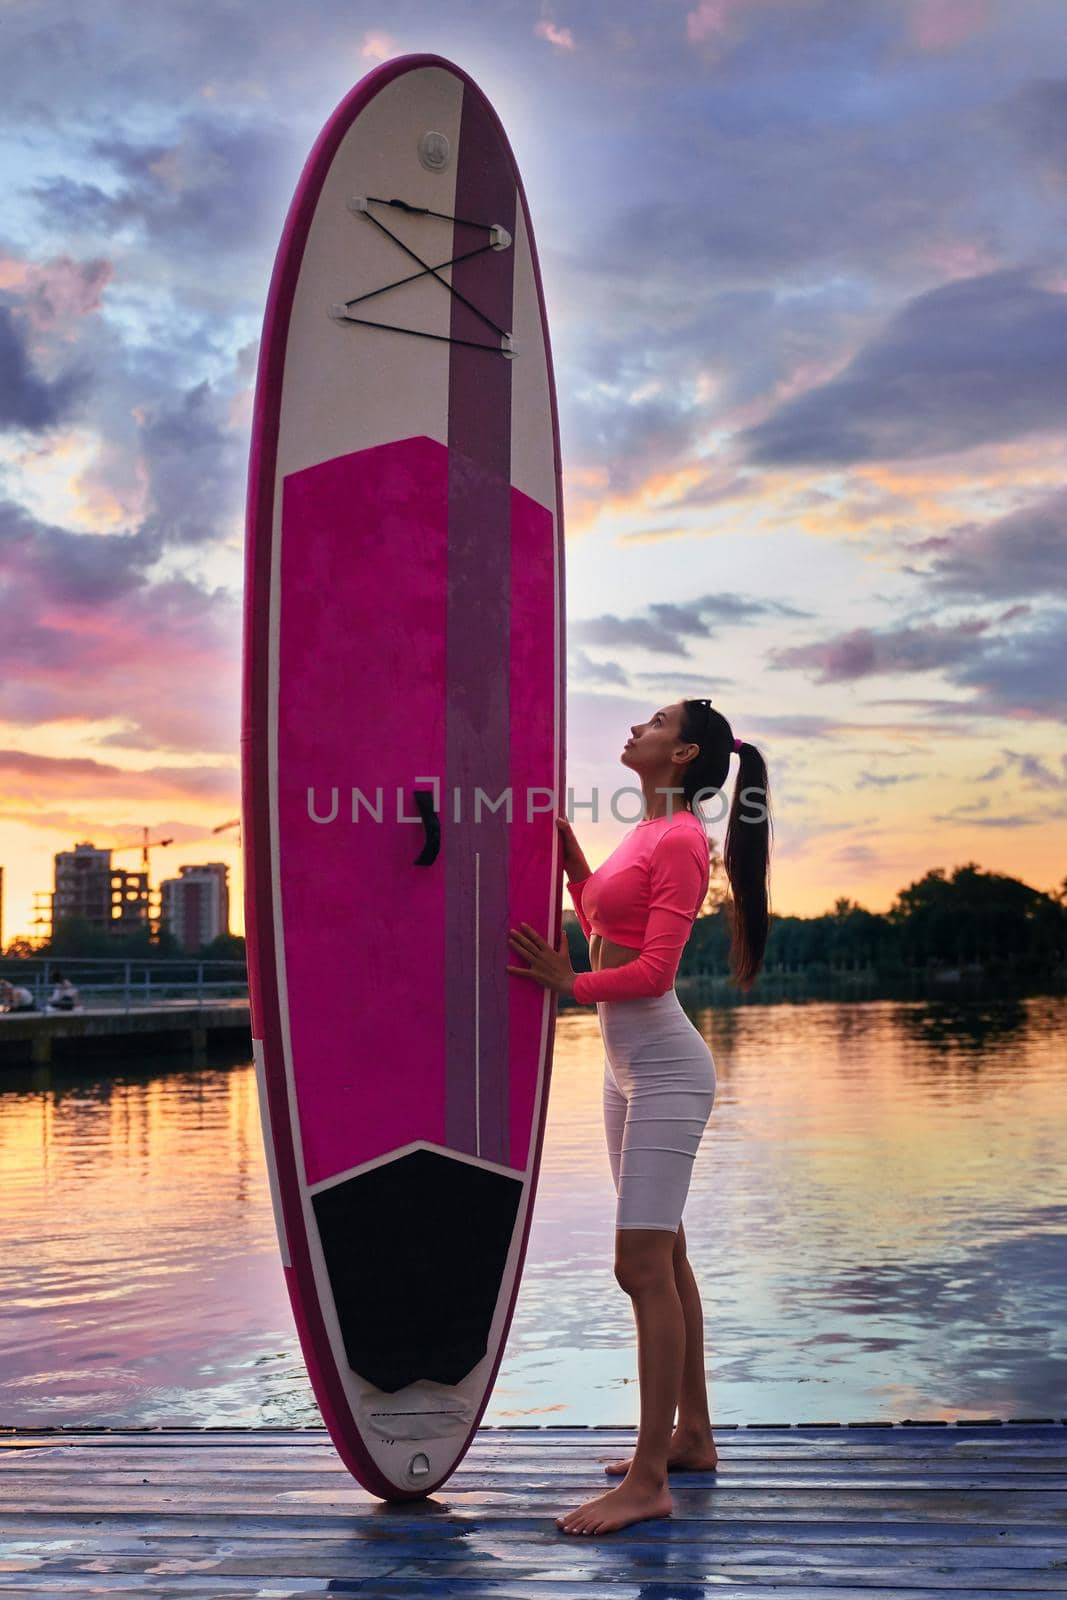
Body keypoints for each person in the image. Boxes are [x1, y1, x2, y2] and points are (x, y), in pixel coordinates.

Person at [507, 698, 772, 1535]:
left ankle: (649, 1479)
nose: (633, 729)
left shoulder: (684, 840)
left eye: (652, 723)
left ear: (683, 751)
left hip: (663, 1066)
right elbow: (604, 926)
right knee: (666, 1258)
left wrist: (566, 987)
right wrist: (575, 866)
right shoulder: (645, 833)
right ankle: (692, 1436)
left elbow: (653, 971)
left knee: (639, 1268)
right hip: (626, 1070)